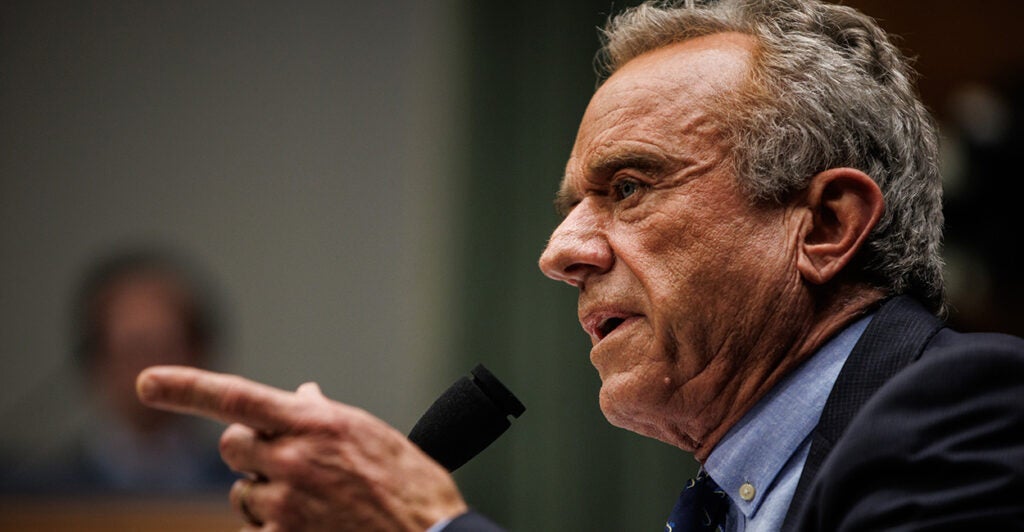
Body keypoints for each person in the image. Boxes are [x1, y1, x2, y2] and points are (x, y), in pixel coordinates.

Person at [135, 0, 1024, 530]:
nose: (560, 254)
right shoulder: (739, 492)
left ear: (825, 223)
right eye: (573, 209)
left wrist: (430, 526)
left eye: (629, 187)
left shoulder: (973, 413)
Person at [2, 248, 236, 495]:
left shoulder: (249, 494)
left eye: (162, 347)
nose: (150, 373)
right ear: (94, 360)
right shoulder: (33, 496)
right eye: (133, 347)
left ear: (200, 355)